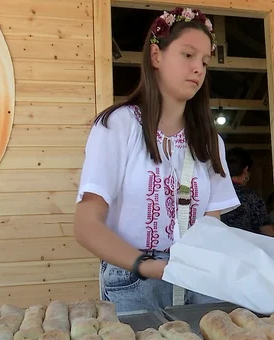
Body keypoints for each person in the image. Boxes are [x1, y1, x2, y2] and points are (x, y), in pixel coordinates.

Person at [74, 8, 240, 313]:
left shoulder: (209, 141)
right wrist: (149, 266)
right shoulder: (118, 125)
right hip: (134, 280)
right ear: (156, 56)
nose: (198, 69)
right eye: (188, 55)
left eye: (204, 61)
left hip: (197, 276)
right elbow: (86, 225)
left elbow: (211, 227)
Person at [220, 147, 274, 236]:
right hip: (246, 247)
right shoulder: (252, 197)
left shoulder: (215, 194)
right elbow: (268, 231)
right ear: (246, 170)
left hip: (217, 247)